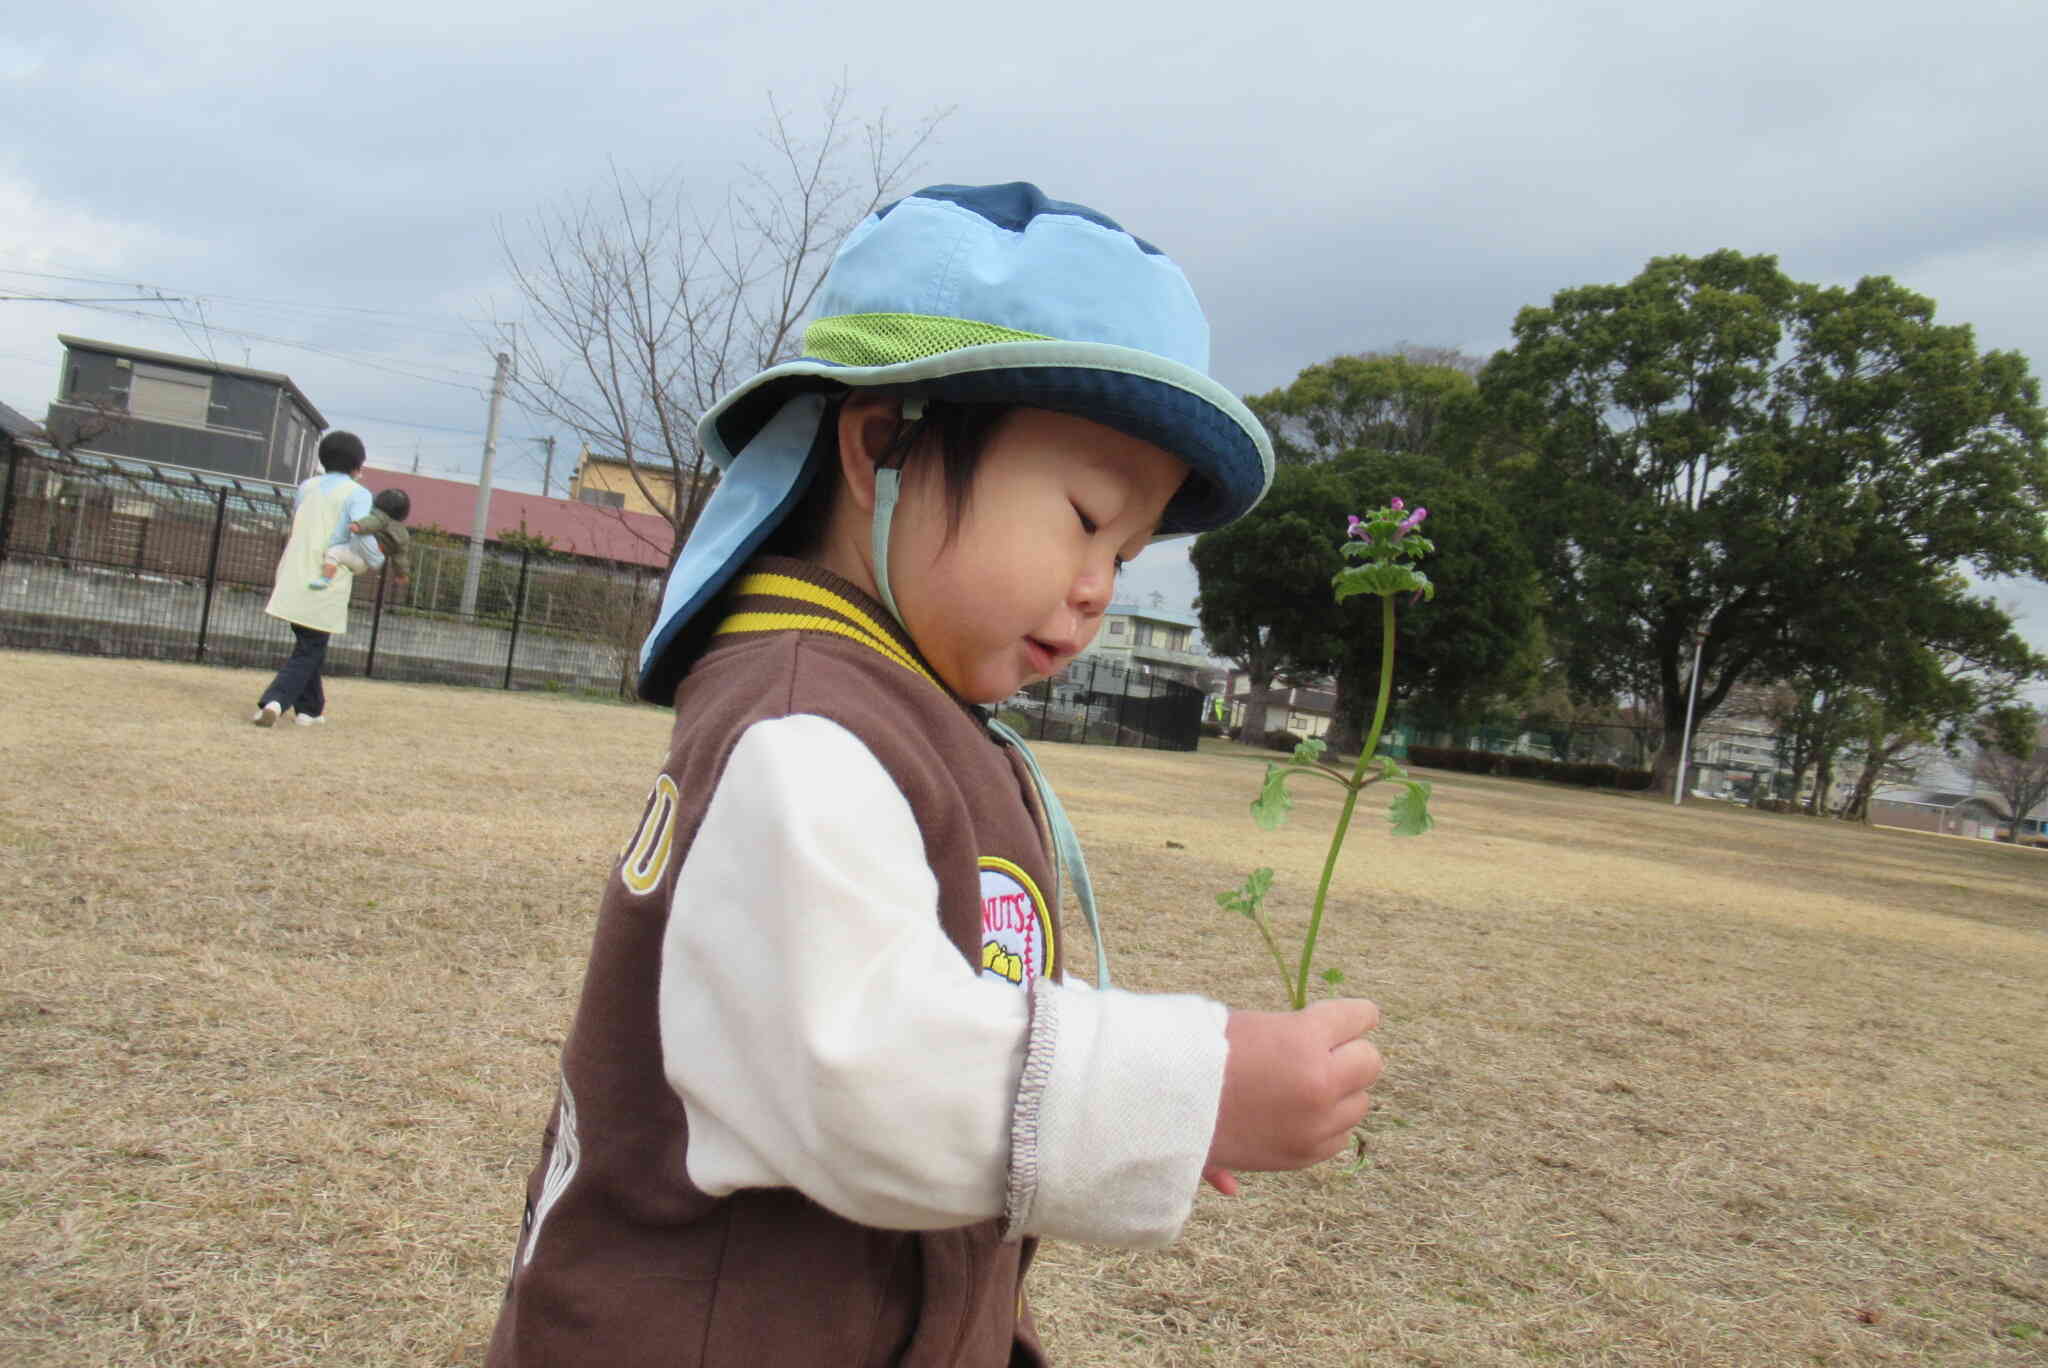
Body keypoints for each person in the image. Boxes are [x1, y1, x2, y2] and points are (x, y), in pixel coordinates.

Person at [483, 183, 1384, 1367]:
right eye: (1080, 517)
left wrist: (1090, 1115)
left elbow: (940, 1007)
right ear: (880, 446)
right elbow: (860, 1071)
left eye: (1126, 549)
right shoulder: (804, 734)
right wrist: (1180, 1091)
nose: (1100, 585)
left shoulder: (899, 709)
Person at [251, 430, 372, 727]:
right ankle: (275, 701)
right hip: (326, 576)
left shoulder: (306, 487)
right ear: (358, 466)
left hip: (293, 573)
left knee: (310, 643)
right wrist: (374, 559)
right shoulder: (358, 494)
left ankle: (310, 710)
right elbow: (361, 531)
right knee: (311, 647)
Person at [310, 487, 411, 591]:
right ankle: (325, 580)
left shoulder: (380, 517)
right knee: (334, 552)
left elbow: (372, 522)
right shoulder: (404, 534)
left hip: (372, 550)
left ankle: (325, 578)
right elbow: (400, 557)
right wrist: (402, 575)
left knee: (337, 549)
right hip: (362, 564)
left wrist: (359, 526)